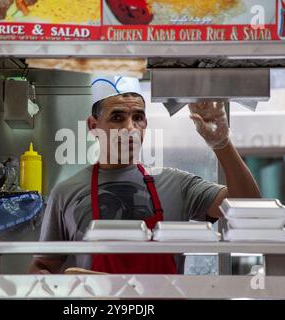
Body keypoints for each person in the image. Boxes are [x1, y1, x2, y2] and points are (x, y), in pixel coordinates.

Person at [29, 75, 261, 274]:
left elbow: (248, 211)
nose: (130, 128)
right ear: (93, 126)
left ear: (146, 124)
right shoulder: (66, 193)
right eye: (117, 117)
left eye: (137, 117)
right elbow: (43, 266)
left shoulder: (176, 184)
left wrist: (222, 143)